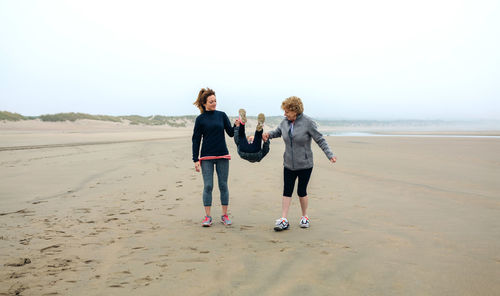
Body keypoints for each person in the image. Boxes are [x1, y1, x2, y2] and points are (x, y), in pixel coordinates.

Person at [263, 96, 336, 231]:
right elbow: (277, 132)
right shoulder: (285, 122)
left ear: (295, 110)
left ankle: (304, 217)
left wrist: (330, 155)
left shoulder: (308, 122)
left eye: (287, 111)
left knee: (301, 191)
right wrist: (267, 134)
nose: (284, 114)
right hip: (288, 164)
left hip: (305, 164)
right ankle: (284, 219)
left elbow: (320, 139)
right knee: (287, 190)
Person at [192, 87, 234, 227]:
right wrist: (195, 159)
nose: (214, 103)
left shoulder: (222, 115)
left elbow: (231, 133)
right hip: (206, 157)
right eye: (211, 101)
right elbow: (196, 139)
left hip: (222, 154)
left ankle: (225, 215)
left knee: (223, 185)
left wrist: (238, 125)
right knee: (208, 186)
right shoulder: (200, 119)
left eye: (215, 101)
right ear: (204, 103)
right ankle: (208, 217)